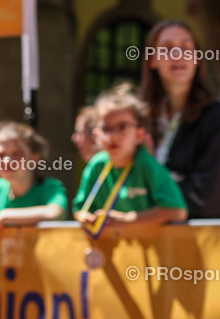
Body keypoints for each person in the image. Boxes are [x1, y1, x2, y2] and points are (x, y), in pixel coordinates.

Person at [73, 85, 187, 228]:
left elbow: (177, 211)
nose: (113, 135)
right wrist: (84, 217)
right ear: (96, 135)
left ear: (139, 134)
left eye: (122, 127)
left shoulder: (147, 166)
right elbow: (79, 209)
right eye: (106, 128)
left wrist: (127, 220)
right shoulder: (96, 166)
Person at [139, 19, 220, 218]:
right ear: (152, 60)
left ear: (197, 59)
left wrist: (151, 171)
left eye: (186, 47)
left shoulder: (216, 117)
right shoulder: (141, 121)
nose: (177, 54)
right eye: (166, 48)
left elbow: (204, 199)